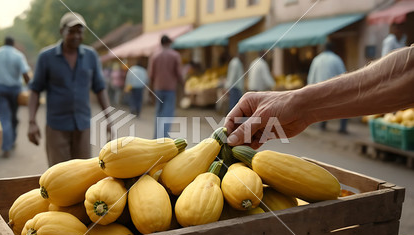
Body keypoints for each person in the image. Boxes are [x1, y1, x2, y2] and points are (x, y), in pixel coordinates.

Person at [225, 45, 414, 149]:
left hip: (324, 91)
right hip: (333, 91)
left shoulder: (316, 59)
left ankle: (324, 124)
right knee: (342, 117)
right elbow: (406, 72)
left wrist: (301, 99)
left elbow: (406, 72)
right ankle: (338, 126)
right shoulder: (337, 60)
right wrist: (301, 103)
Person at [28, 12, 111, 167]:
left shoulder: (91, 56)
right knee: (58, 175)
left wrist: (109, 118)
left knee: (84, 173)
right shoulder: (46, 57)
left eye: (79, 32)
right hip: (57, 126)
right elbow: (35, 90)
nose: (75, 36)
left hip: (83, 125)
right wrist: (32, 122)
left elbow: (100, 88)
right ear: (62, 32)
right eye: (71, 31)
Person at [148, 34, 184, 138]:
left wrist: (150, 90)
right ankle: (164, 140)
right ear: (169, 43)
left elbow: (151, 75)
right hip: (170, 90)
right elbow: (179, 73)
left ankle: (156, 138)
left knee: (158, 114)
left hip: (157, 89)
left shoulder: (155, 55)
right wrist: (183, 85)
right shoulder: (175, 55)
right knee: (167, 115)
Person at [307, 42, 348, 134]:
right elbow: (344, 75)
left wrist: (309, 90)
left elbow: (311, 77)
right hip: (334, 89)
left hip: (319, 89)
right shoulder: (337, 59)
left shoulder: (316, 59)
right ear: (333, 49)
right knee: (344, 108)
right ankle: (342, 128)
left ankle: (322, 126)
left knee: (323, 108)